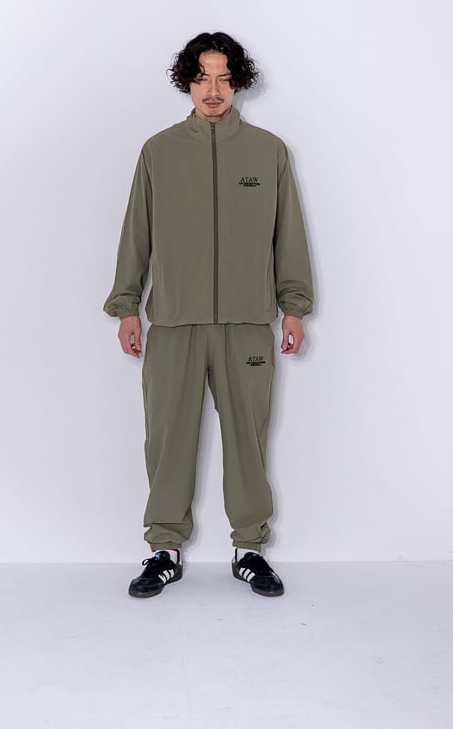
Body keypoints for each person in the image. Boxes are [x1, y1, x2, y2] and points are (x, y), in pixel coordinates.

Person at [104, 31, 314, 599]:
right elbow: (136, 233)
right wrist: (126, 305)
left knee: (248, 439)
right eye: (202, 77)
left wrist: (294, 306)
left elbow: (288, 235)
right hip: (174, 322)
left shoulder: (268, 152)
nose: (213, 89)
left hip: (247, 321)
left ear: (238, 82)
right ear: (188, 83)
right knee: (167, 438)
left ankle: (250, 549)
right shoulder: (159, 151)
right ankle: (164, 549)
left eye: (223, 77)